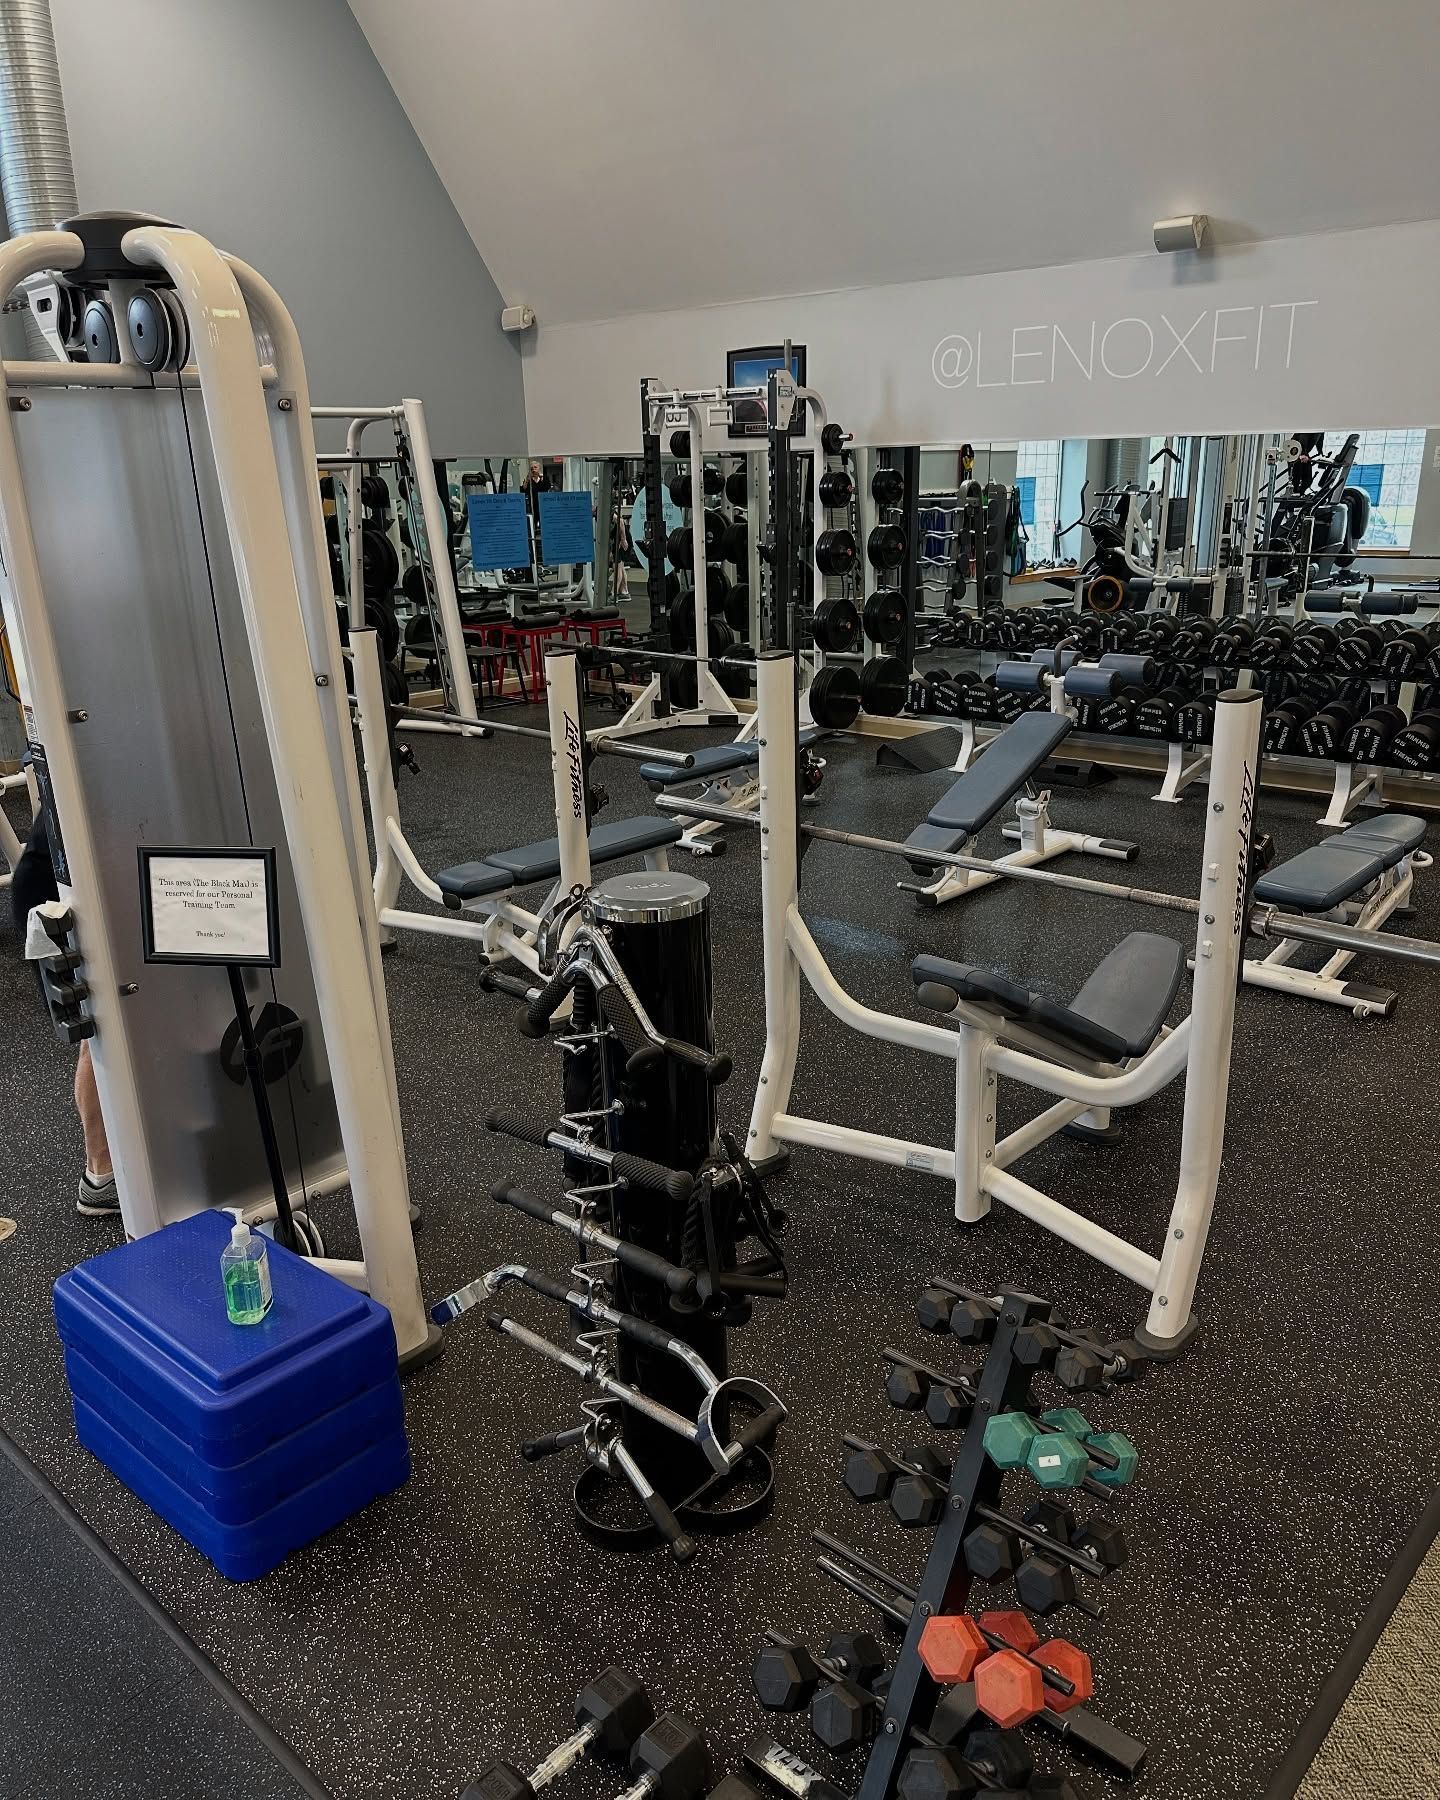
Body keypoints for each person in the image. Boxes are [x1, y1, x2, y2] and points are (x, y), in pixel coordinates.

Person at [9, 807, 116, 1215]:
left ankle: (118, 1161)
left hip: (74, 883)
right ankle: (101, 1176)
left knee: (108, 1034)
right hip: (55, 899)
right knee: (98, 1036)